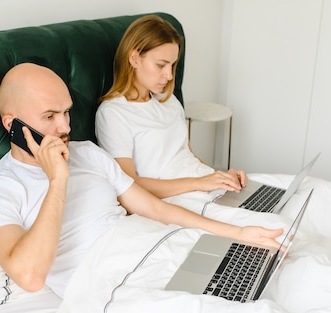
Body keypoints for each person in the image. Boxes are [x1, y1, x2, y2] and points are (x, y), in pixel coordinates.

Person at [0, 62, 283, 297]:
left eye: (67, 113)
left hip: (156, 249)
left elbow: (154, 209)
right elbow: (30, 276)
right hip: (117, 286)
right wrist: (57, 181)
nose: (65, 127)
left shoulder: (88, 153)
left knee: (268, 276)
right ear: (12, 125)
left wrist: (238, 232)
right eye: (50, 116)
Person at [96, 15, 246, 200]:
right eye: (161, 65)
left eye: (173, 65)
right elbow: (128, 184)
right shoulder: (113, 113)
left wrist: (221, 177)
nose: (168, 75)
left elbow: (188, 156)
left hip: (205, 187)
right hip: (178, 198)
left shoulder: (169, 101)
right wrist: (201, 183)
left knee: (281, 196)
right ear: (134, 58)